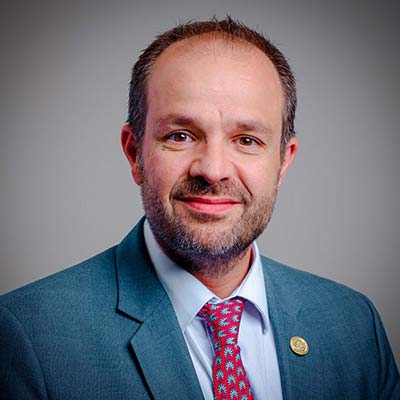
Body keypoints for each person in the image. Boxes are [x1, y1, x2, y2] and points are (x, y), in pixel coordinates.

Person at [0, 17, 399, 400]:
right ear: (134, 152)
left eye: (246, 140)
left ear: (284, 161)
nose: (213, 169)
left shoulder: (352, 323)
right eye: (181, 135)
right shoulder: (29, 335)